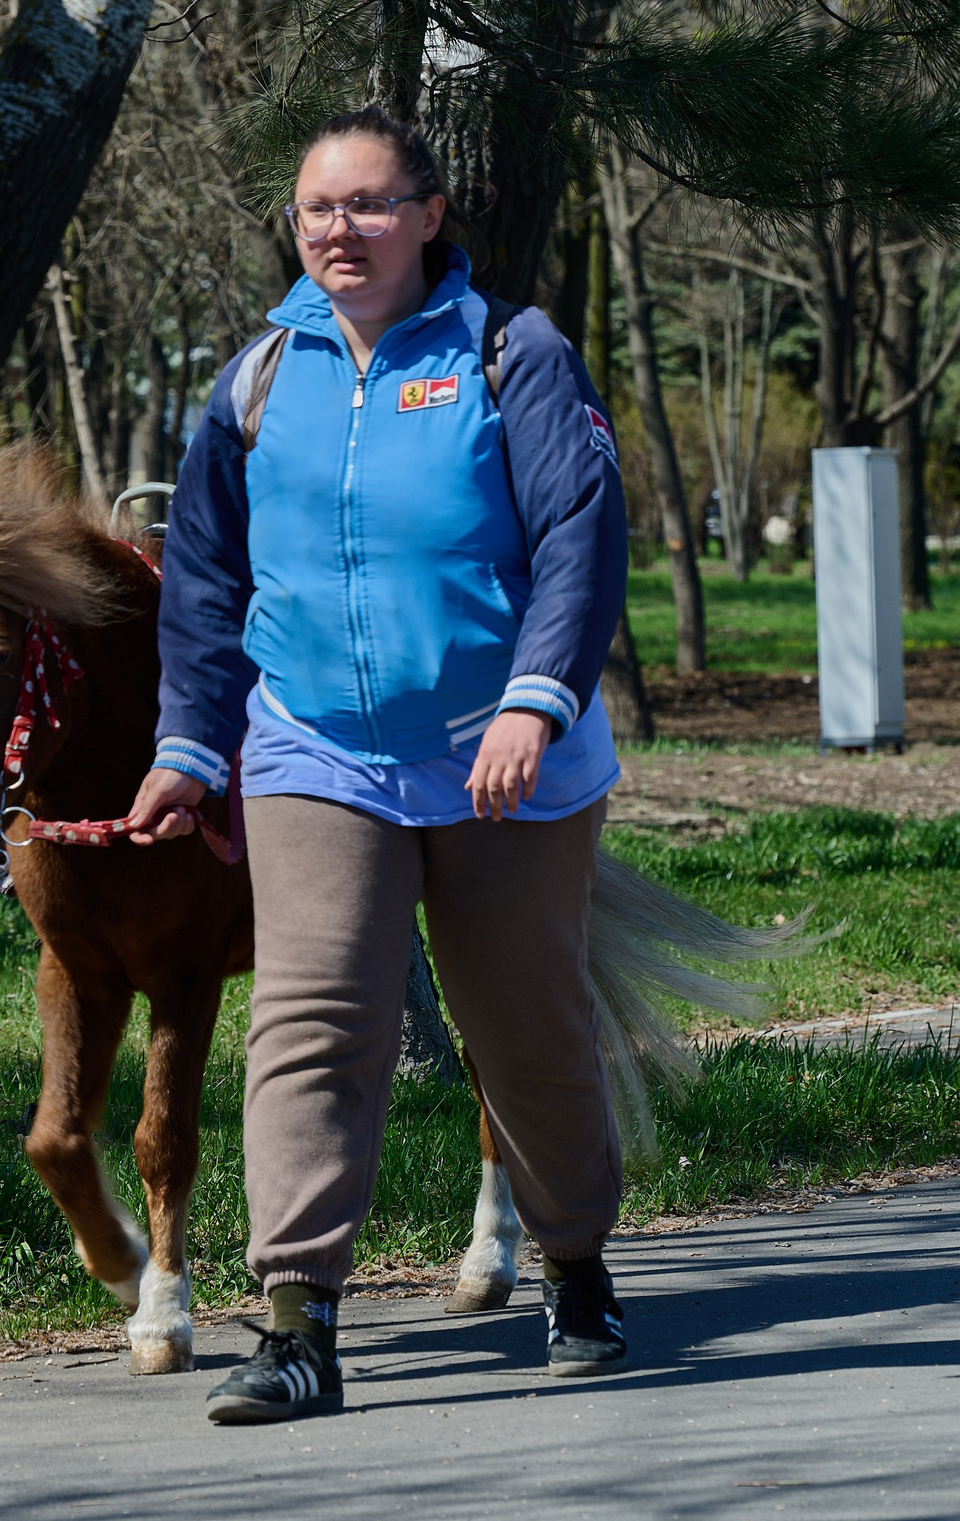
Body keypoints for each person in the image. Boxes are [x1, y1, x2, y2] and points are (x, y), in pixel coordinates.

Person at [123, 107, 632, 1423]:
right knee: (310, 1020)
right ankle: (297, 1320)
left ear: (429, 215)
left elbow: (580, 537)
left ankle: (575, 1258)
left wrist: (536, 701)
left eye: (365, 204)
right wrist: (191, 745)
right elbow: (204, 582)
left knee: (525, 1027)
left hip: (495, 752)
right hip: (314, 745)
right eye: (314, 209)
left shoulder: (511, 354)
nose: (336, 230)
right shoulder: (258, 380)